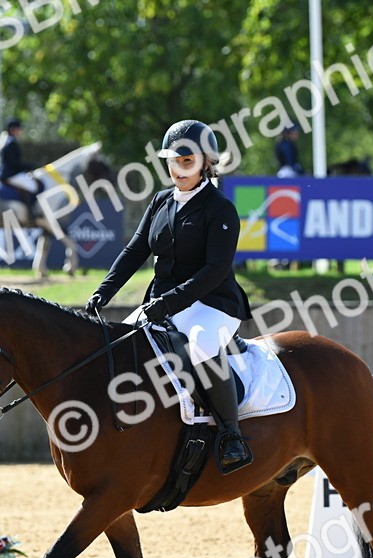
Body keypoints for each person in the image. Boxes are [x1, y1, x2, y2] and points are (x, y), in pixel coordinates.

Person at [85, 119, 254, 474]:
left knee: (200, 346)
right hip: (163, 303)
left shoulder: (220, 208)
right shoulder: (161, 201)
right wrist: (104, 291)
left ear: (206, 162)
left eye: (187, 161)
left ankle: (231, 436)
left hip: (213, 303)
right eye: (173, 161)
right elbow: (134, 251)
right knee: (119, 347)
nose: (178, 169)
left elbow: (215, 270)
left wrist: (168, 303)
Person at [0, 117, 41, 205]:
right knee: (34, 186)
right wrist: (30, 166)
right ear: (12, 130)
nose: (21, 131)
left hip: (9, 173)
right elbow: (14, 163)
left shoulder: (8, 141)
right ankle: (31, 210)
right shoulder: (10, 143)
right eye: (19, 129)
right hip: (10, 174)